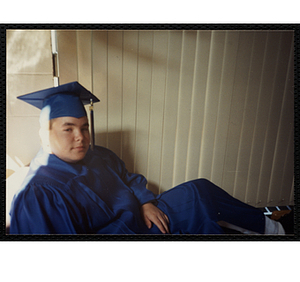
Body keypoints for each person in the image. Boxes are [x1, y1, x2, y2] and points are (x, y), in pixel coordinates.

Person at [9, 82, 285, 235]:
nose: (80, 137)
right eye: (67, 129)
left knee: (199, 190)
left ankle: (274, 228)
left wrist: (145, 200)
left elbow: (128, 177)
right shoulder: (40, 193)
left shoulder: (95, 155)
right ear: (45, 134)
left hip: (142, 218)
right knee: (201, 220)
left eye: (84, 127)